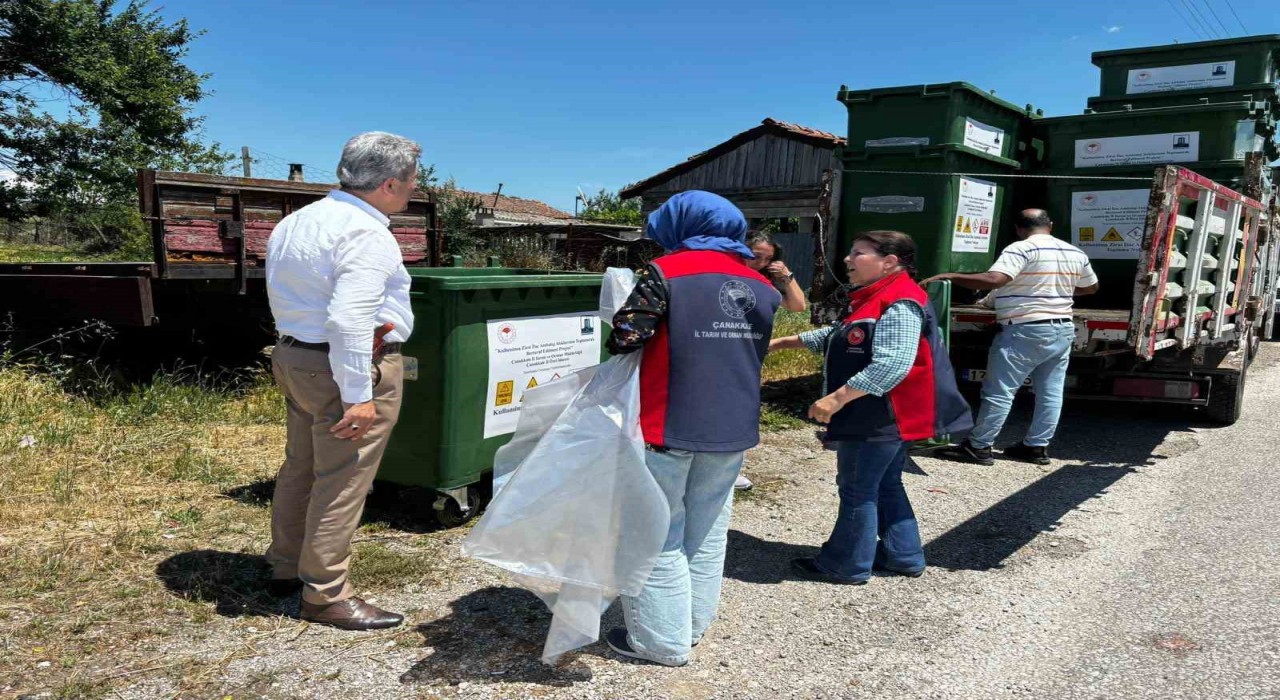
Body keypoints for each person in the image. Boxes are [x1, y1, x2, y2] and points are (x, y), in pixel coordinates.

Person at [603, 190, 781, 666]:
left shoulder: (664, 273)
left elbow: (627, 338)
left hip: (671, 420)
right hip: (733, 424)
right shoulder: (761, 285)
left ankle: (660, 642)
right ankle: (693, 623)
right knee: (707, 529)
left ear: (681, 225)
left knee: (656, 532)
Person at [263, 131, 420, 630]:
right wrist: (359, 396)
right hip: (344, 366)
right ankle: (325, 593)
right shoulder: (367, 233)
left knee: (301, 466)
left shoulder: (297, 221)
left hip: (295, 355)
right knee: (343, 480)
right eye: (412, 180)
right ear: (390, 183)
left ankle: (286, 565)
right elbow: (351, 320)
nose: (414, 188)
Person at [768, 231, 971, 585]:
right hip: (886, 414)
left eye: (859, 253)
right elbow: (844, 335)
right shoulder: (877, 297)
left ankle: (844, 564)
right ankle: (903, 555)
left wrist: (836, 399)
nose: (848, 259)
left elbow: (892, 363)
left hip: (879, 415)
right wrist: (781, 343)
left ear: (889, 262)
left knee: (857, 489)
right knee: (886, 484)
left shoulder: (900, 301)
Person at [923, 209, 1099, 466]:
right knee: (1050, 392)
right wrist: (1052, 290)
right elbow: (1091, 287)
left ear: (1018, 228)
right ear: (1050, 225)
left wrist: (950, 276)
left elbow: (995, 279)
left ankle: (979, 446)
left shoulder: (1021, 248)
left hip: (1025, 329)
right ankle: (1036, 447)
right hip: (1062, 328)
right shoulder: (1074, 252)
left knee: (1000, 392)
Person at [731, 231, 809, 492]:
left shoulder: (764, 284)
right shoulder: (726, 276)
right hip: (724, 348)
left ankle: (732, 468)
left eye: (768, 259)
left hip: (750, 353)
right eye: (756, 256)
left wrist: (786, 276)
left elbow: (798, 306)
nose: (761, 263)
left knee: (741, 410)